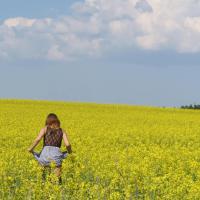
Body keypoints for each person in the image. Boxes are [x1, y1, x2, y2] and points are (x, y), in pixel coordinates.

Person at [27, 113, 72, 184]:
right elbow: (68, 144)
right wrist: (70, 152)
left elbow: (38, 139)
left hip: (44, 156)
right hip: (56, 156)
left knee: (43, 180)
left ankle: (43, 191)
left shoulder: (45, 129)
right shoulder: (62, 131)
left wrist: (30, 149)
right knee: (56, 181)